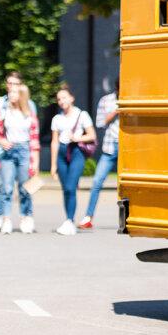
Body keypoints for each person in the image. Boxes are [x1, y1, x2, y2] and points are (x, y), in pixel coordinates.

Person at [0, 72, 37, 231]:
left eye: (15, 84)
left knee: (25, 186)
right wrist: (1, 140)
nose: (12, 87)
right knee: (2, 185)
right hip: (6, 150)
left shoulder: (29, 105)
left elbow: (34, 134)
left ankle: (26, 217)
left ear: (21, 86)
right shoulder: (1, 104)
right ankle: (0, 216)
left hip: (24, 149)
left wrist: (35, 160)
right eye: (9, 83)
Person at [50, 83, 96, 236]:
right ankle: (68, 220)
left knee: (71, 187)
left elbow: (92, 135)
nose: (61, 101)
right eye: (59, 99)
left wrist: (78, 138)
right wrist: (53, 165)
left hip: (77, 152)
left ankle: (70, 221)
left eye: (64, 98)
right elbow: (54, 142)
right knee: (66, 189)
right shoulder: (57, 118)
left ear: (71, 98)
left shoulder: (81, 115)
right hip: (62, 153)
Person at [80, 79, 119, 229]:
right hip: (110, 146)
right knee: (97, 181)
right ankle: (88, 217)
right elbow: (100, 123)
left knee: (127, 185)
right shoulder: (106, 100)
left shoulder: (133, 99)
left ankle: (129, 219)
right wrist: (116, 111)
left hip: (128, 149)